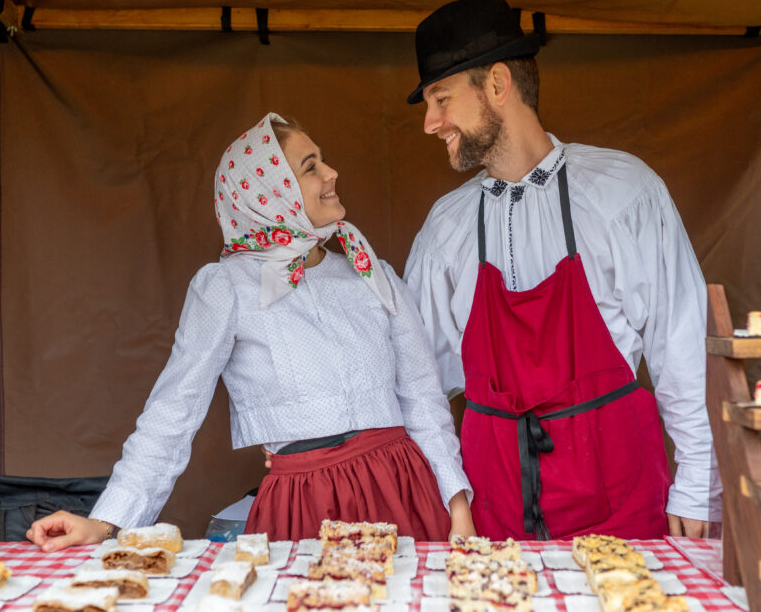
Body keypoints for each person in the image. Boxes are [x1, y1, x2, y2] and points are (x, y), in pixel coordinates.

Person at [27, 113, 474, 551]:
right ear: (268, 192)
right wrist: (106, 522)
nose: (332, 173)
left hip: (403, 489)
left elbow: (423, 400)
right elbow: (172, 415)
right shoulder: (226, 288)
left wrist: (458, 510)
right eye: (311, 166)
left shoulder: (372, 275)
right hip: (305, 506)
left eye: (323, 160)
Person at [403, 0, 721, 541]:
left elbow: (682, 345)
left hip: (620, 498)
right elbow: (410, 376)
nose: (431, 123)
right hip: (494, 510)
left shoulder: (624, 192)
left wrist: (698, 483)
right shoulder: (445, 229)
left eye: (441, 99)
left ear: (497, 85)